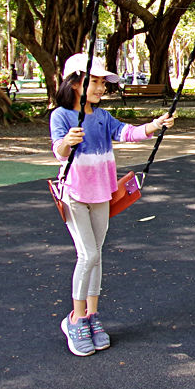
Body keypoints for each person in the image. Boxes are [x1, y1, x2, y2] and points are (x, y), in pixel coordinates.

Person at [50, 52, 174, 356]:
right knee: (87, 254)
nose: (100, 88)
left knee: (97, 256)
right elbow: (59, 151)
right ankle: (75, 319)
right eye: (93, 82)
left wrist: (154, 125)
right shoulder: (62, 116)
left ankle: (91, 315)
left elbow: (127, 133)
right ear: (75, 82)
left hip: (102, 194)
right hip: (76, 195)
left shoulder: (103, 117)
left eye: (102, 83)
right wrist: (68, 140)